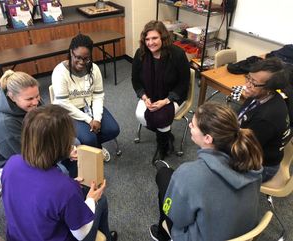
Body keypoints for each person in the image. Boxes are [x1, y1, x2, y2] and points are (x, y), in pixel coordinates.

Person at [1, 104, 117, 241]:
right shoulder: (65, 188)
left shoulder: (11, 163)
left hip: (17, 237)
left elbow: (34, 193)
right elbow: (81, 234)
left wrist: (66, 193)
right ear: (63, 143)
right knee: (101, 200)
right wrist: (92, 200)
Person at [150, 102, 263, 241]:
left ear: (208, 138)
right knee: (167, 175)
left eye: (193, 124)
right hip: (243, 233)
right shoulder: (251, 160)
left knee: (163, 175)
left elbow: (178, 219)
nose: (190, 125)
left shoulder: (189, 174)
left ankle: (162, 235)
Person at [51, 33, 120, 160]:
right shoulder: (60, 72)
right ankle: (94, 150)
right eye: (78, 57)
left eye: (86, 58)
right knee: (89, 138)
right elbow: (63, 103)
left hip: (89, 107)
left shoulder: (94, 69)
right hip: (68, 111)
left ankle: (94, 146)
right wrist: (89, 120)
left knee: (113, 130)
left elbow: (98, 96)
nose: (82, 62)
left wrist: (97, 118)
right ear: (71, 52)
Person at [131, 20, 190, 164]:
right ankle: (166, 136)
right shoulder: (141, 53)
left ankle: (162, 146)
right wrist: (145, 98)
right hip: (150, 95)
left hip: (173, 96)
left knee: (161, 119)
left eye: (154, 38)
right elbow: (136, 81)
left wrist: (166, 101)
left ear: (163, 38)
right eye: (147, 39)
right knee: (140, 115)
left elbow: (183, 84)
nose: (150, 43)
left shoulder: (177, 54)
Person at [0, 70, 41, 181]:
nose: (36, 102)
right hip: (2, 166)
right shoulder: (4, 125)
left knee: (73, 144)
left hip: (26, 145)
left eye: (37, 96)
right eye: (30, 99)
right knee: (56, 171)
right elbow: (26, 160)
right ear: (12, 97)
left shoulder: (29, 103)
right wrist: (58, 153)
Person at [239, 57, 292, 181]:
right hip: (251, 145)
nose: (247, 85)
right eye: (248, 78)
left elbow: (243, 150)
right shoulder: (260, 94)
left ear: (269, 88)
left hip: (261, 166)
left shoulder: (266, 118)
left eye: (253, 83)